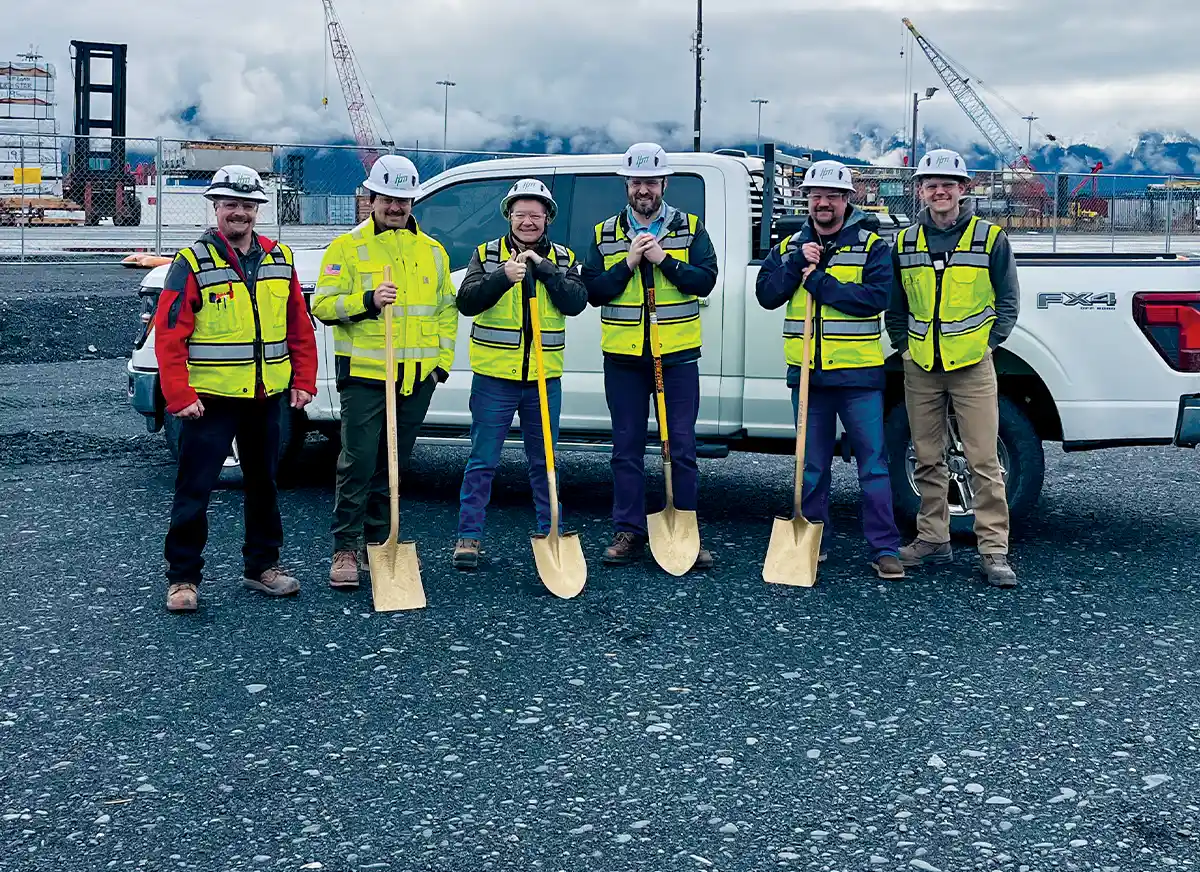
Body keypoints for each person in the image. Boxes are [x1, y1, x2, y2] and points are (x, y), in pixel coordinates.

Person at [155, 165, 318, 613]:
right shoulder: (191, 263)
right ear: (216, 207)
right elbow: (170, 333)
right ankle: (183, 578)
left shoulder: (279, 257)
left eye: (248, 205)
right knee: (196, 487)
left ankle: (261, 567)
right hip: (209, 402)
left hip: (265, 398)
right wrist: (179, 395)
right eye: (231, 204)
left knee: (263, 483)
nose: (240, 213)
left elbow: (298, 326)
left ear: (257, 210)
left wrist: (304, 379)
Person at [311, 154, 458, 589]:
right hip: (365, 377)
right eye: (388, 198)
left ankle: (380, 542)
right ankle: (345, 547)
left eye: (404, 199)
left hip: (415, 379)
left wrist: (440, 366)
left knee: (393, 465)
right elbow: (323, 304)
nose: (396, 207)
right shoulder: (347, 248)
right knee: (357, 461)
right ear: (372, 196)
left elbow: (446, 312)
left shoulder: (431, 251)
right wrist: (368, 300)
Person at [755, 160, 905, 579]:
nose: (823, 202)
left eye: (831, 195)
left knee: (873, 465)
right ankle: (811, 540)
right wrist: (794, 266)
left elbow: (876, 298)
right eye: (815, 195)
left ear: (846, 200)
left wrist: (820, 281)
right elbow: (766, 295)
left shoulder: (873, 246)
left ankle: (884, 548)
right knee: (812, 464)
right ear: (807, 200)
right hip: (808, 376)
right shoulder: (789, 246)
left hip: (858, 377)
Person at [884, 148, 1020, 588]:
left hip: (971, 365)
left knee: (983, 459)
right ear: (920, 190)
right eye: (930, 184)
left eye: (948, 184)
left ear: (964, 189)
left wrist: (987, 344)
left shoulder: (990, 239)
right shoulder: (904, 243)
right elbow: (897, 307)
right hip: (922, 364)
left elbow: (1007, 302)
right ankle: (932, 539)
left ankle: (994, 550)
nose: (939, 191)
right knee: (926, 457)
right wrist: (905, 348)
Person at [580, 142, 719, 568]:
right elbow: (593, 291)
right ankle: (629, 531)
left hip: (675, 356)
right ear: (627, 184)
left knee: (680, 446)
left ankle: (684, 530)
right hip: (624, 358)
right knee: (626, 448)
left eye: (651, 182)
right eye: (637, 182)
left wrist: (665, 261)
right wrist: (627, 263)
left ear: (664, 183)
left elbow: (706, 280)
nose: (644, 189)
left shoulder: (689, 227)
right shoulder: (605, 233)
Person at [451, 179, 588, 568]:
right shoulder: (486, 254)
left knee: (544, 461)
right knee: (482, 460)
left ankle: (552, 531)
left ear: (548, 219)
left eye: (536, 215)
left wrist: (543, 270)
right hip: (495, 378)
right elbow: (466, 302)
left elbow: (577, 301)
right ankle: (469, 537)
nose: (528, 222)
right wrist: (500, 278)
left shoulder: (563, 257)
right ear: (508, 216)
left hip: (544, 380)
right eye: (520, 214)